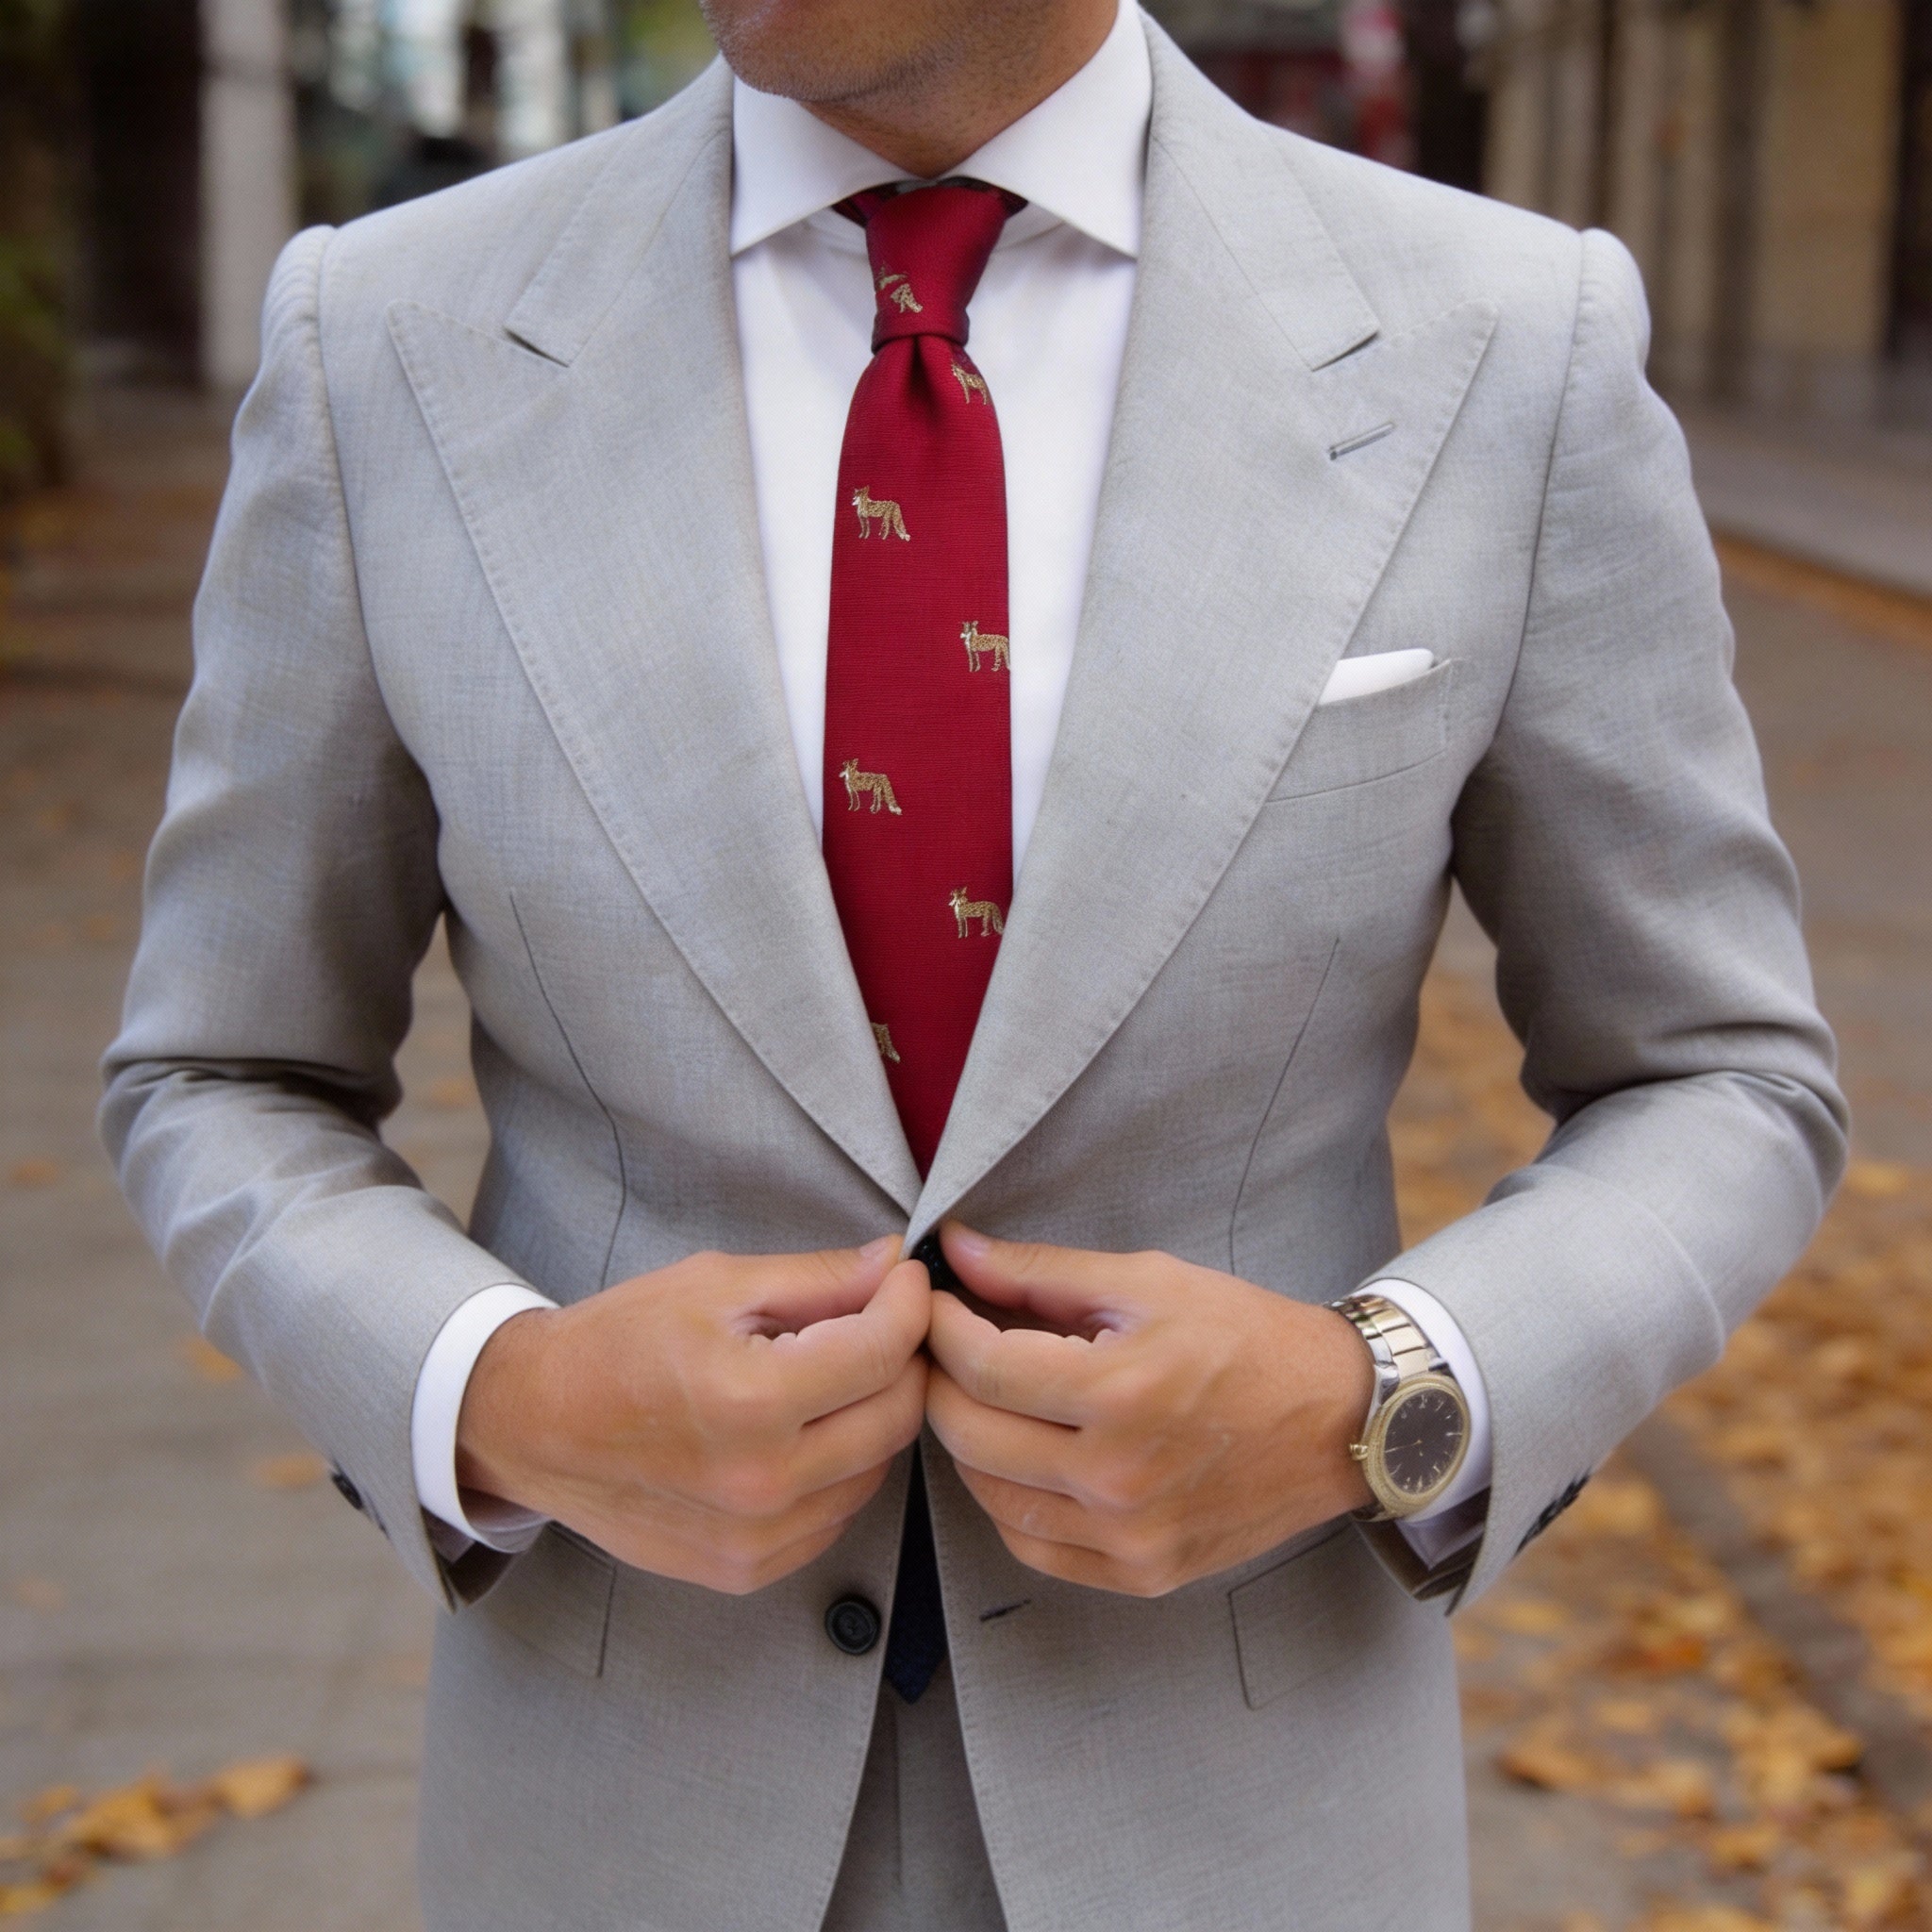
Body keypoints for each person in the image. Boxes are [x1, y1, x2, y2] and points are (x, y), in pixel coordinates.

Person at [102, 0, 1846, 1922]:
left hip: (1242, 1811)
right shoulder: (388, 340)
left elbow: (1716, 1073)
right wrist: (492, 1396)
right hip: (617, 1811)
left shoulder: (1505, 344)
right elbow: (222, 1067)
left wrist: (1383, 1398)